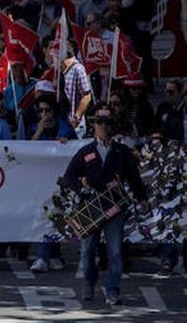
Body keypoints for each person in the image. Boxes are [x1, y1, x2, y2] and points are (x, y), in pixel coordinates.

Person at [62, 105, 149, 306]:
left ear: (113, 125)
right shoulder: (86, 151)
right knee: (87, 251)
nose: (103, 126)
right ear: (93, 125)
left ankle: (112, 289)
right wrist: (83, 190)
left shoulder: (122, 151)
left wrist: (142, 198)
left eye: (108, 122)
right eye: (100, 122)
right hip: (91, 207)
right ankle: (89, 284)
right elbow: (69, 176)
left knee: (116, 251)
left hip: (115, 206)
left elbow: (134, 177)